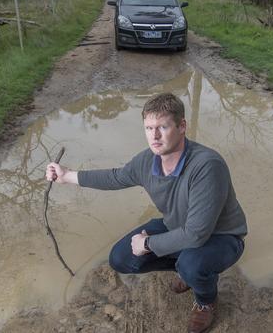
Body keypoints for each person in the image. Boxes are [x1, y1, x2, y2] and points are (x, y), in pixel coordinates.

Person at [46, 93, 247, 333]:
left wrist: (149, 243)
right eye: (149, 128)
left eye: (163, 126)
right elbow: (116, 177)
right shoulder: (146, 161)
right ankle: (185, 269)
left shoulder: (206, 166)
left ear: (182, 126)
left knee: (192, 265)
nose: (155, 136)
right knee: (121, 258)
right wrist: (68, 176)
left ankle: (206, 300)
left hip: (221, 236)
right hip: (177, 226)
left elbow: (196, 234)